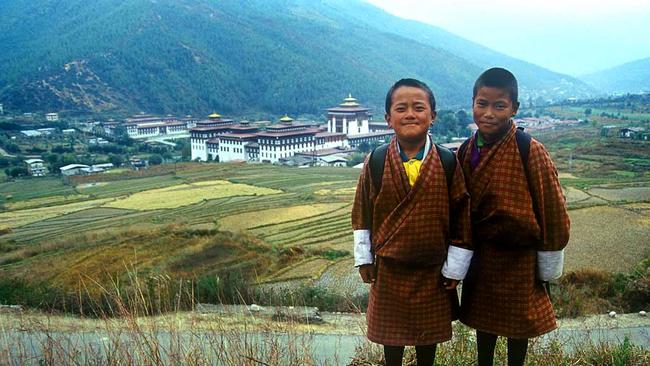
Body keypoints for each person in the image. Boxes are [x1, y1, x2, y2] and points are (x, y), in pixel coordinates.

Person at [351, 78, 473, 366]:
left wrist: (455, 267)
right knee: (391, 340)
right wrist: (364, 258)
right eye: (401, 108)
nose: (410, 114)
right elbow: (362, 212)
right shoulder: (377, 161)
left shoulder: (447, 162)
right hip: (389, 269)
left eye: (419, 107)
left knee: (427, 339)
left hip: (433, 271)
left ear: (433, 116)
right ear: (388, 119)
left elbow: (461, 216)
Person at [457, 67, 570, 366]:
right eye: (482, 104)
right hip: (482, 255)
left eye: (499, 106)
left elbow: (553, 208)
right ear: (472, 103)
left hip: (519, 258)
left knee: (518, 326)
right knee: (484, 322)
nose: (489, 113)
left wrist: (548, 258)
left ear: (514, 108)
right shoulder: (466, 150)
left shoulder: (529, 150)